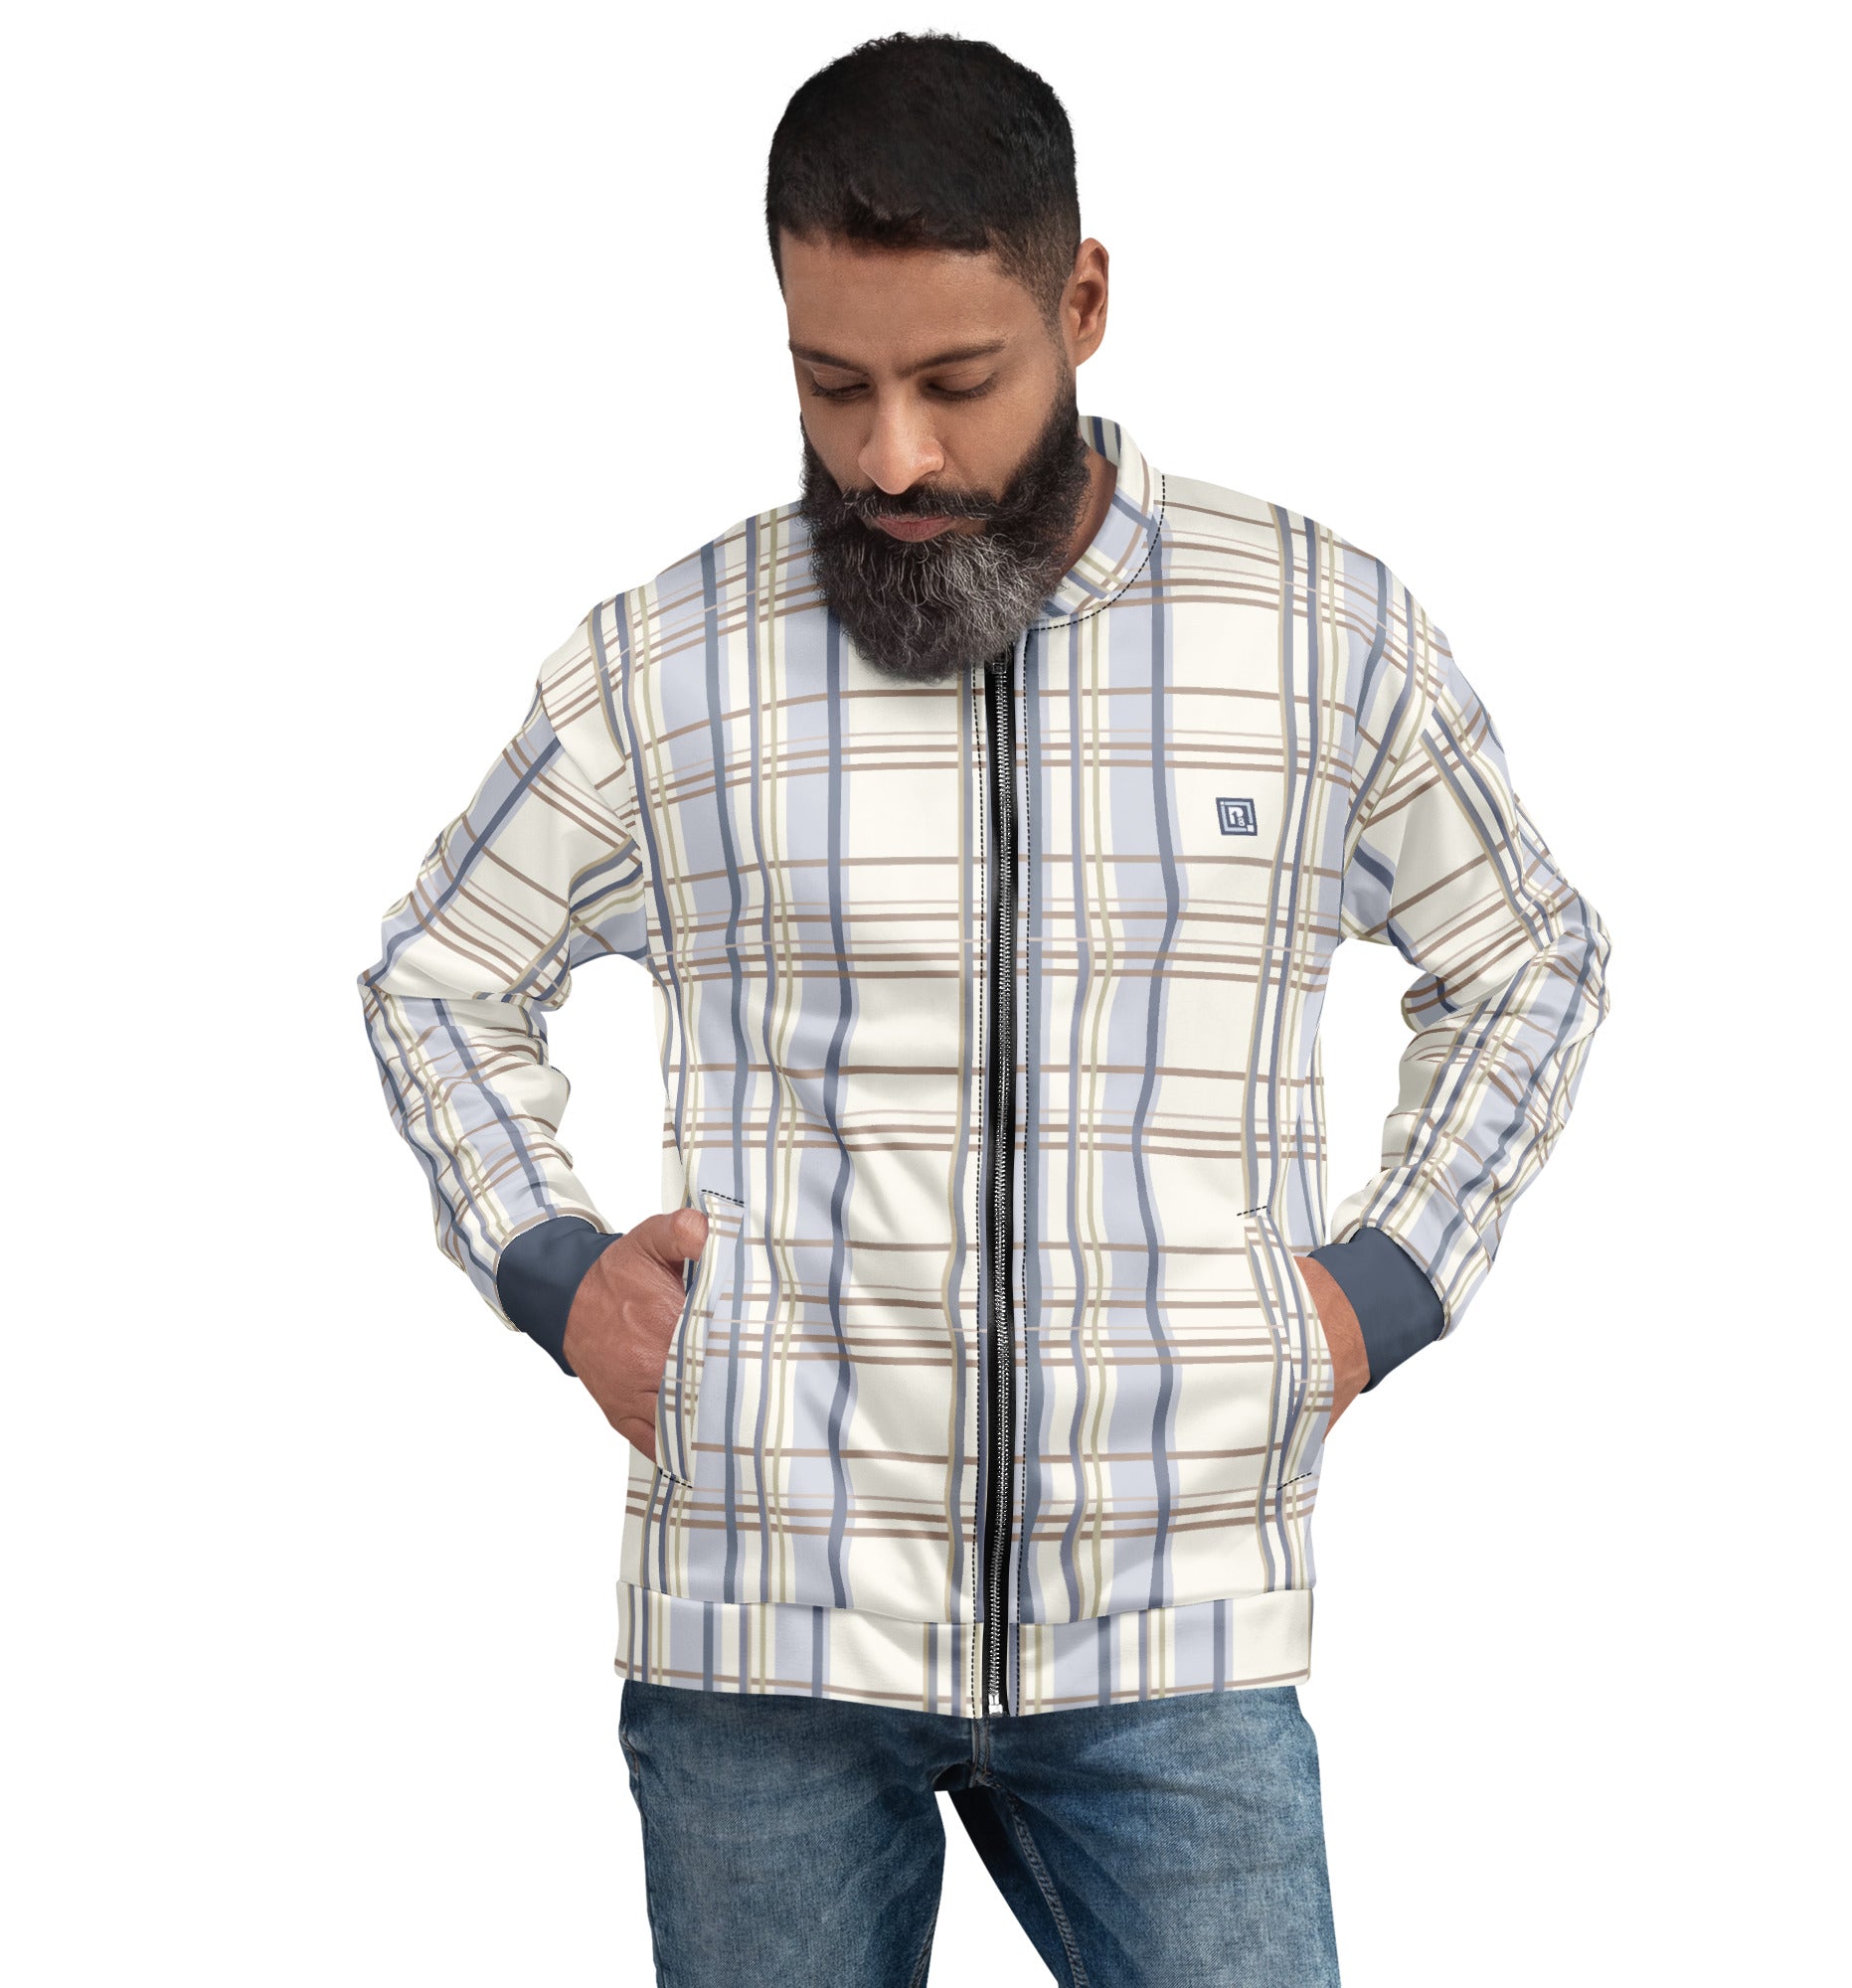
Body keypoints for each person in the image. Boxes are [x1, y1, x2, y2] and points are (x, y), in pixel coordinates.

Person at [357, 31, 1612, 1987]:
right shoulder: (667, 661)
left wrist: (1383, 1288)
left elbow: (1525, 952)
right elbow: (442, 973)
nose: (892, 459)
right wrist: (552, 1266)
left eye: (957, 382)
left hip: (1171, 1622)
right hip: (763, 1629)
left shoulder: (1314, 631)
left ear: (1080, 302)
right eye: (830, 382)